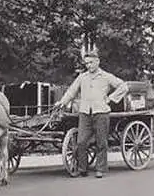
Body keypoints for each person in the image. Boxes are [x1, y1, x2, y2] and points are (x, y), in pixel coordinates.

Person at [54, 47, 128, 178]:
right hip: (85, 113)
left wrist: (110, 99)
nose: (89, 66)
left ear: (97, 61)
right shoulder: (82, 77)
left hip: (101, 113)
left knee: (101, 142)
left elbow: (123, 86)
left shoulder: (106, 76)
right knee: (81, 142)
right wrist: (62, 102)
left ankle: (101, 169)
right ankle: (82, 168)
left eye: (91, 62)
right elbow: (71, 91)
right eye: (86, 63)